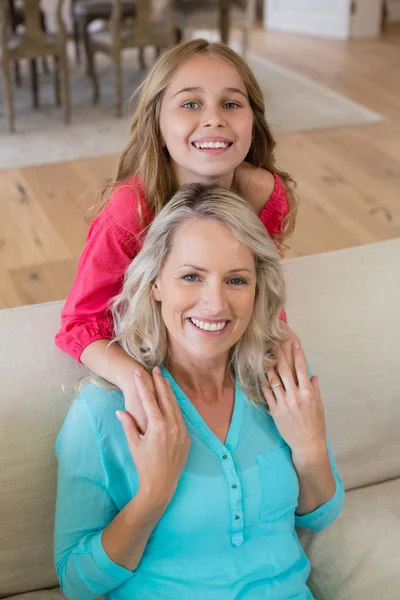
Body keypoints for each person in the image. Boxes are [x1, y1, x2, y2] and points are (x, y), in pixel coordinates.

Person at [54, 185, 344, 600]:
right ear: (155, 283)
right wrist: (153, 493)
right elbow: (76, 582)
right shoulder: (103, 410)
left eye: (236, 280)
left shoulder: (278, 380)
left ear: (258, 288)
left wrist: (311, 448)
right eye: (191, 276)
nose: (215, 303)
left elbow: (322, 516)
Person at [54, 39, 300, 431]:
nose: (214, 119)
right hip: (154, 348)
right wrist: (136, 382)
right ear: (158, 123)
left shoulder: (265, 195)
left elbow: (255, 279)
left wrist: (278, 338)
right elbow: (80, 323)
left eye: (232, 104)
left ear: (253, 120)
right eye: (190, 104)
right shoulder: (129, 210)